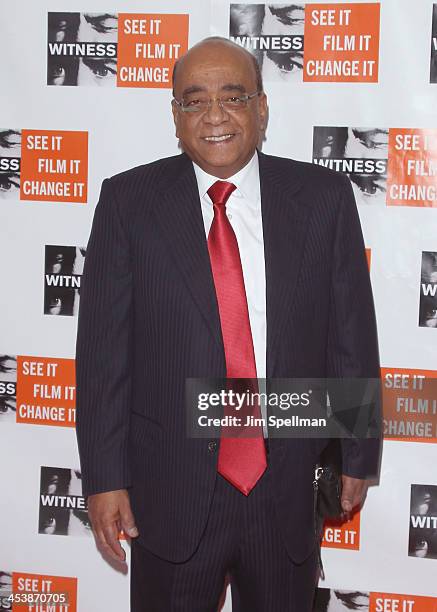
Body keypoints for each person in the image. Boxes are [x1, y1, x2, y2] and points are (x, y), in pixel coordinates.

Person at [75, 37, 381, 611]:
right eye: (194, 101)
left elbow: (350, 336)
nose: (214, 115)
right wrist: (103, 478)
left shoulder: (323, 199)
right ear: (175, 116)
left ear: (261, 108)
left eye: (232, 96)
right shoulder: (128, 202)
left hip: (286, 480)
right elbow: (102, 359)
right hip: (170, 487)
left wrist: (357, 453)